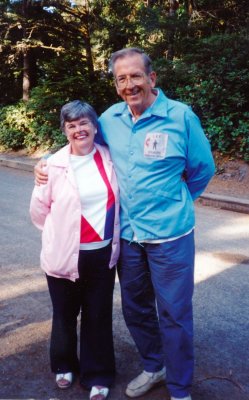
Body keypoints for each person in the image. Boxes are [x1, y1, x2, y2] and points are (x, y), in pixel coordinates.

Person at [34, 48, 215, 400]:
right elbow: (82, 146)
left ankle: (179, 388)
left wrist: (174, 202)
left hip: (171, 236)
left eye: (135, 76)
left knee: (175, 314)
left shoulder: (181, 117)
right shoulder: (111, 118)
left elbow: (202, 169)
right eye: (121, 79)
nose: (129, 84)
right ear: (116, 85)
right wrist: (47, 162)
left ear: (152, 78)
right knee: (135, 308)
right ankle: (154, 366)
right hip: (128, 237)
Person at [30, 100, 120, 400]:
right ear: (65, 130)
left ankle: (98, 374)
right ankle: (64, 365)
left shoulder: (110, 157)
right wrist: (62, 238)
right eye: (72, 125)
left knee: (98, 315)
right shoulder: (52, 165)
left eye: (84, 123)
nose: (79, 129)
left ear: (95, 126)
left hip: (102, 253)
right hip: (63, 254)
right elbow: (39, 212)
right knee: (64, 314)